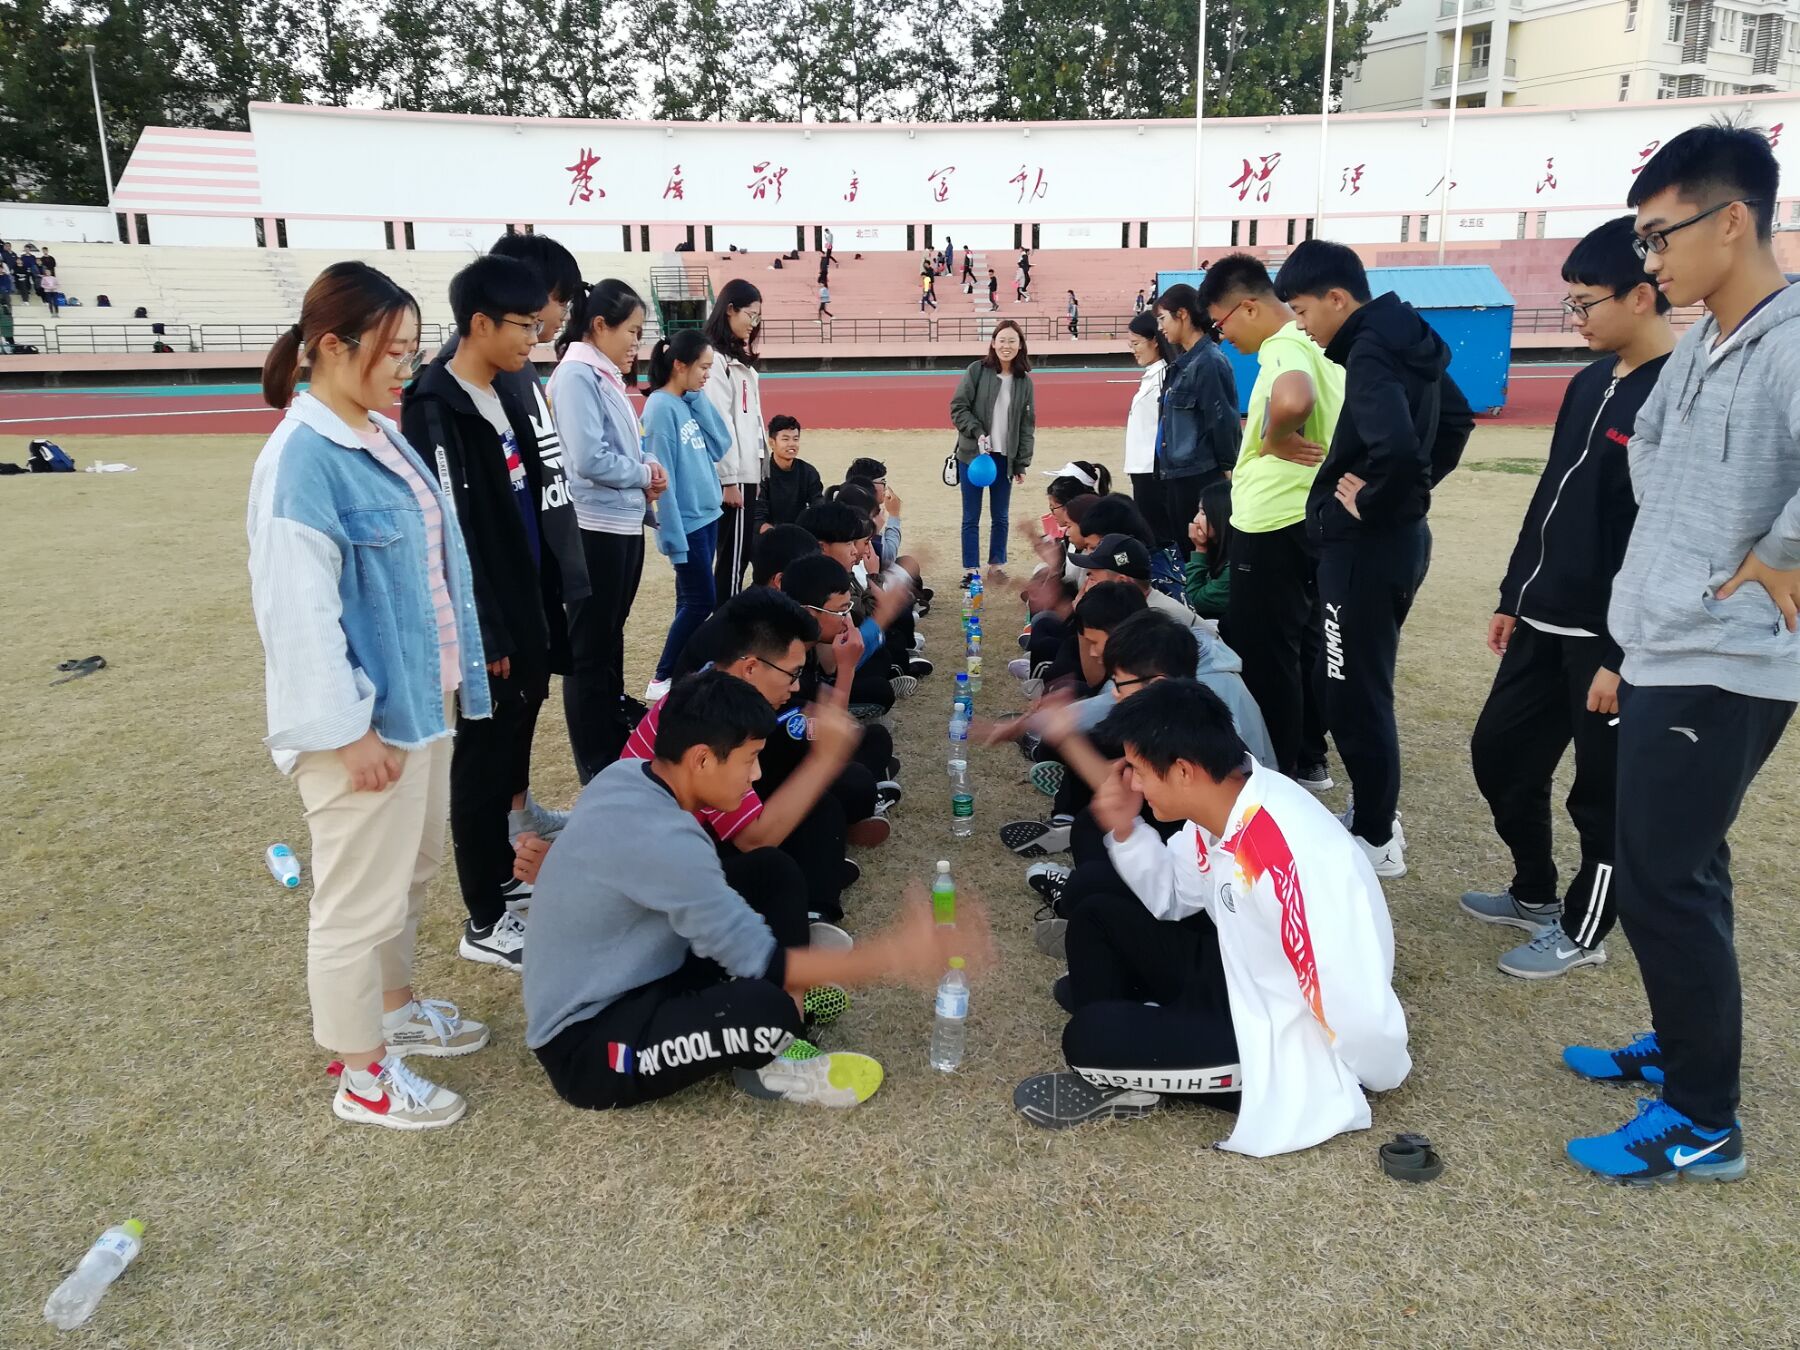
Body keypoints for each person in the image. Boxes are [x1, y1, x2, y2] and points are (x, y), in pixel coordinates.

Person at [1563, 123, 1799, 1186]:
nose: (1650, 261)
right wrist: (1691, 543)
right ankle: (1681, 1042)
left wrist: (1774, 552)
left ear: (1732, 219)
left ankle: (1703, 1119)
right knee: (1679, 862)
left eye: (1660, 237)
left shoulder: (1790, 341)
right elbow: (1649, 446)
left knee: (1662, 877)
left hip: (1726, 658)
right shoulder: (1703, 340)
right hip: (1667, 641)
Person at [247, 261, 493, 1131]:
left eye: (413, 350)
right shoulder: (301, 460)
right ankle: (362, 1076)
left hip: (419, 703)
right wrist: (349, 732)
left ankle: (395, 1011)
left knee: (406, 876)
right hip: (363, 726)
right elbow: (298, 615)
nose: (406, 368)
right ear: (329, 346)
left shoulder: (378, 432)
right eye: (392, 351)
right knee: (356, 904)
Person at [526, 670, 989, 1112]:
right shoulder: (667, 843)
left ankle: (790, 1008)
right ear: (702, 759)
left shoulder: (628, 774)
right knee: (765, 1012)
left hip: (642, 975)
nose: (755, 775)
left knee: (769, 870)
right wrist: (898, 954)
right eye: (749, 759)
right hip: (588, 1046)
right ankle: (776, 1055)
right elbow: (766, 962)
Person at [1012, 679, 1410, 1153]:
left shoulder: (1286, 856)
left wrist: (1371, 1075)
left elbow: (1348, 994)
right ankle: (1138, 1035)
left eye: (1139, 770)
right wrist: (1125, 828)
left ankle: (1129, 1057)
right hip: (1238, 976)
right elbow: (1172, 896)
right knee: (1097, 916)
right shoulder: (1228, 807)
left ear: (1183, 770)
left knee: (1087, 1038)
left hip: (1281, 1036)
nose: (1132, 783)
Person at [1464, 217, 1674, 981]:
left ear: (1641, 296)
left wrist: (1622, 653)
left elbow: (1665, 538)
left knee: (1601, 795)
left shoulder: (1675, 394)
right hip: (1541, 618)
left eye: (1585, 304)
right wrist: (1512, 594)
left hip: (1609, 639)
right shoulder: (1590, 382)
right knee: (1499, 755)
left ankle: (1585, 931)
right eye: (1571, 304)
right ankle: (1534, 891)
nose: (1575, 318)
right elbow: (1550, 494)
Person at [1275, 241, 1474, 878]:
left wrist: (1379, 502)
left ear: (1338, 298)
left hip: (1366, 551)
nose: (1302, 326)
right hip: (1392, 545)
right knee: (1352, 683)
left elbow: (1401, 452)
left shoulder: (1369, 349)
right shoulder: (1409, 336)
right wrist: (1406, 502)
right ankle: (1374, 815)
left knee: (1352, 692)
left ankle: (1376, 837)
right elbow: (1457, 421)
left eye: (1302, 311)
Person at [401, 255, 562, 970]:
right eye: (524, 325)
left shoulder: (503, 389)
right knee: (481, 761)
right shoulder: (434, 403)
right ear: (480, 323)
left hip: (525, 596)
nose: (534, 337)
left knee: (513, 743)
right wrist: (485, 629)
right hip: (485, 616)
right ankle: (484, 919)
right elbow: (450, 527)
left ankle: (504, 879)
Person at [437, 231, 592, 831]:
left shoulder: (519, 369)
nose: (555, 317)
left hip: (537, 572)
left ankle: (519, 811)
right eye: (556, 301)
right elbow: (467, 516)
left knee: (527, 704)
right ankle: (499, 838)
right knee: (492, 732)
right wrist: (490, 619)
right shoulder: (468, 378)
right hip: (504, 590)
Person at [1198, 252, 1345, 789]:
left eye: (1221, 325)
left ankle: (1275, 776)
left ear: (1248, 307)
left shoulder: (1285, 345)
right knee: (1303, 646)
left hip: (1271, 522)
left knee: (1266, 656)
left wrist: (1274, 437)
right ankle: (1307, 756)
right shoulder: (1322, 347)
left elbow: (1294, 398)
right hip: (1306, 516)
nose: (1224, 338)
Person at [550, 278, 665, 777]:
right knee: (589, 651)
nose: (637, 343)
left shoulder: (603, 375)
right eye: (632, 331)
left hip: (619, 524)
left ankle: (612, 744)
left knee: (608, 640)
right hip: (593, 528)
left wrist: (647, 468)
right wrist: (642, 473)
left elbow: (623, 447)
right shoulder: (577, 375)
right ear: (600, 325)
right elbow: (588, 457)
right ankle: (595, 763)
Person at [644, 330, 733, 696]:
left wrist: (697, 399)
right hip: (687, 522)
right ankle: (662, 677)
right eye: (703, 367)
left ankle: (683, 676)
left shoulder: (685, 402)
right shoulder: (660, 409)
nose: (707, 375)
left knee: (690, 601)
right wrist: (671, 535)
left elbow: (721, 445)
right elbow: (660, 476)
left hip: (707, 515)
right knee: (701, 601)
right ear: (679, 365)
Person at [1153, 284, 1240, 557]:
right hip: (1178, 474)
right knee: (1187, 550)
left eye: (1163, 319)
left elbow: (1222, 420)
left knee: (1202, 551)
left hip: (1199, 476)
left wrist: (1228, 471)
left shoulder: (1209, 362)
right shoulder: (1182, 363)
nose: (1160, 328)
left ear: (1182, 314)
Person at [949, 320, 1036, 580]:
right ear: (993, 343)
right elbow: (958, 407)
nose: (1006, 346)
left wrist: (1021, 462)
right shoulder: (977, 370)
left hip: (1004, 458)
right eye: (1002, 340)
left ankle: (996, 566)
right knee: (971, 516)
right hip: (973, 457)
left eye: (1012, 341)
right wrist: (977, 431)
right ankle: (971, 570)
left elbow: (1026, 425)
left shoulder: (1024, 382)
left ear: (1020, 345)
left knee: (1000, 516)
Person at [702, 279, 767, 601]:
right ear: (729, 310)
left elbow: (752, 422)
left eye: (758, 317)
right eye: (750, 315)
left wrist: (759, 470)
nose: (754, 323)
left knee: (737, 557)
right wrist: (729, 480)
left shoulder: (736, 359)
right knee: (731, 560)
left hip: (746, 474)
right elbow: (720, 422)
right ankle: (724, 621)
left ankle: (725, 616)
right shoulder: (715, 361)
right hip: (734, 476)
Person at [1123, 311, 1176, 547]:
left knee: (1159, 538)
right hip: (1141, 468)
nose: (1133, 350)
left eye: (1136, 344)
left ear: (1154, 341)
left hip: (1153, 469)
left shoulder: (1165, 376)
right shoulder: (1151, 375)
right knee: (1150, 535)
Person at [755, 414, 822, 532]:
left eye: (795, 439)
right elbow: (758, 518)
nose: (792, 444)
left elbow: (818, 507)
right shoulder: (761, 473)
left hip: (802, 534)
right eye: (785, 439)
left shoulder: (808, 472)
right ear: (772, 442)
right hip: (769, 535)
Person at [1183, 481, 1233, 622]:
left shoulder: (1235, 565)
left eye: (1203, 513)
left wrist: (1200, 549)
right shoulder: (1221, 549)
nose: (1195, 520)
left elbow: (1193, 600)